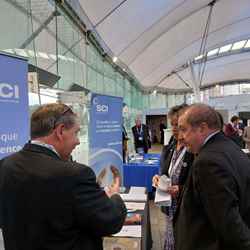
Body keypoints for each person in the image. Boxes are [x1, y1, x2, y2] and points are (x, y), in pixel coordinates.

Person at [0, 103, 127, 250]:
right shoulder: (76, 175)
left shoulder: (5, 165)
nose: (78, 141)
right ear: (60, 131)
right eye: (76, 133)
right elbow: (111, 221)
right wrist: (114, 196)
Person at [175, 103, 250, 250]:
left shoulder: (208, 162)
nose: (181, 137)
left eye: (184, 129)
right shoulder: (230, 147)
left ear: (202, 128)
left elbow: (229, 223)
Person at [152, 104, 193, 250]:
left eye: (178, 125)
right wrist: (158, 178)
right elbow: (165, 170)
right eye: (173, 125)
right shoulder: (172, 143)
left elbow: (199, 184)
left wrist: (181, 189)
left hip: (186, 209)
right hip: (170, 205)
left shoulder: (193, 148)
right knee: (171, 240)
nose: (174, 129)